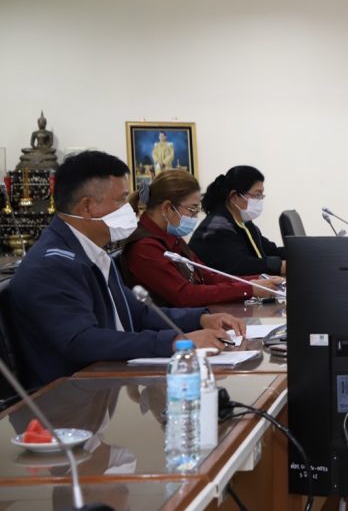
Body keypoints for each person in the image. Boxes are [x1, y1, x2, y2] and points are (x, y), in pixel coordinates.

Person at [7, 151, 243, 388]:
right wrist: (175, 342)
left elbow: (138, 313)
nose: (129, 209)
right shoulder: (52, 265)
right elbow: (81, 340)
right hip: (73, 396)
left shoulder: (93, 252)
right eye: (120, 200)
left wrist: (201, 319)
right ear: (88, 207)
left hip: (110, 380)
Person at [121, 169, 283, 307]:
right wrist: (249, 289)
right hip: (174, 329)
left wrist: (257, 280)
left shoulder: (171, 237)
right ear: (167, 208)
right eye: (192, 209)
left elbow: (208, 276)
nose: (194, 217)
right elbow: (185, 295)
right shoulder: (144, 247)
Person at [189, 165, 286, 276]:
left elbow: (270, 250)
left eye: (261, 195)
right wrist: (281, 266)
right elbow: (242, 266)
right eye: (257, 195)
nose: (260, 200)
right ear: (234, 196)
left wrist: (298, 253)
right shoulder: (217, 228)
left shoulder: (244, 223)